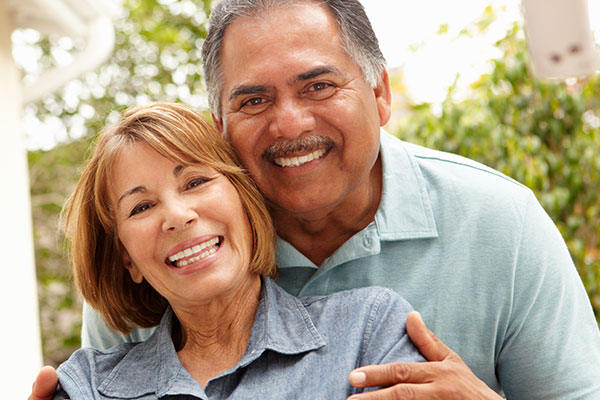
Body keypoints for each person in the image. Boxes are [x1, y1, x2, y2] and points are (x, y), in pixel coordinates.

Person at [31, 0, 600, 399]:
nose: (289, 123)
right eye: (253, 100)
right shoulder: (178, 253)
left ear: (379, 93)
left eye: (318, 86)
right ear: (220, 125)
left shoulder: (501, 221)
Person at [49, 102, 425, 399]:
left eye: (195, 181)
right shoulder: (88, 386)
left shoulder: (370, 331)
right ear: (127, 258)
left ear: (244, 201)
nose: (177, 217)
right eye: (141, 207)